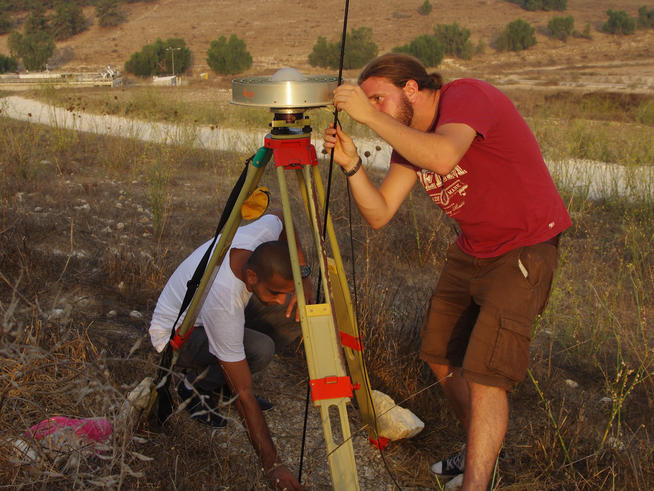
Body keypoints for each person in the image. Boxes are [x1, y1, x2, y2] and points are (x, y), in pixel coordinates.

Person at [323, 53, 571, 490]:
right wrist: (352, 166)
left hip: (525, 245)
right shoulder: (408, 139)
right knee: (439, 353)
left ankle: (478, 482)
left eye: (379, 97)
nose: (373, 109)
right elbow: (379, 213)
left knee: (487, 376)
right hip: (473, 248)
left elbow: (442, 157)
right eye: (369, 102)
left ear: (413, 89)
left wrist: (367, 115)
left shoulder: (466, 96)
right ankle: (482, 449)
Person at [149, 211, 312, 491]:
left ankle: (218, 380)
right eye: (275, 291)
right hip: (175, 337)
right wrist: (273, 465)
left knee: (292, 314)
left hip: (206, 315)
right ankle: (193, 388)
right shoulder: (223, 301)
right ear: (251, 275)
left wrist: (304, 276)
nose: (280, 298)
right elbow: (245, 393)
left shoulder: (258, 239)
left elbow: (281, 215)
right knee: (260, 351)